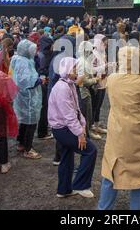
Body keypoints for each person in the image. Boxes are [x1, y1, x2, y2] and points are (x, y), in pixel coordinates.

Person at [98, 46, 140, 210]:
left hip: (116, 134)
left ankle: (104, 209)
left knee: (110, 172)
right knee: (138, 178)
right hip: (136, 138)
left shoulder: (113, 78)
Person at [48, 57, 98, 199]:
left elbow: (76, 110)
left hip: (63, 128)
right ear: (67, 70)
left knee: (67, 156)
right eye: (74, 68)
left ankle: (64, 190)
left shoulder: (68, 84)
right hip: (62, 129)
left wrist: (82, 125)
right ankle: (80, 185)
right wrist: (80, 133)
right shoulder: (63, 87)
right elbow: (69, 115)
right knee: (90, 150)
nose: (77, 70)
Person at [10, 40, 44, 159]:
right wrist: (40, 80)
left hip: (21, 96)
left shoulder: (17, 59)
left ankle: (21, 143)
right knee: (31, 121)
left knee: (24, 120)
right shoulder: (24, 62)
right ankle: (28, 148)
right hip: (28, 96)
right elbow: (27, 81)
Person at [77, 41, 102, 140]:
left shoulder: (82, 60)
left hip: (83, 91)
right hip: (83, 92)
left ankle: (85, 132)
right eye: (90, 51)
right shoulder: (83, 62)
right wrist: (95, 80)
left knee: (85, 114)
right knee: (86, 114)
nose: (92, 52)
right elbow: (84, 81)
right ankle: (86, 134)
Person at [36, 36, 54, 140]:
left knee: (44, 107)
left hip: (41, 84)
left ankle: (44, 128)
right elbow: (42, 71)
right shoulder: (45, 56)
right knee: (44, 108)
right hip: (44, 84)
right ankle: (42, 132)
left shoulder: (40, 54)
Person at [91, 34, 109, 134]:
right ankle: (91, 126)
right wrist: (105, 66)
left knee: (98, 105)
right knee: (94, 105)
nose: (105, 46)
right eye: (103, 43)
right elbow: (90, 69)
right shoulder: (93, 53)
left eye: (106, 44)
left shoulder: (102, 53)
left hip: (102, 82)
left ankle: (96, 124)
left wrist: (107, 67)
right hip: (96, 84)